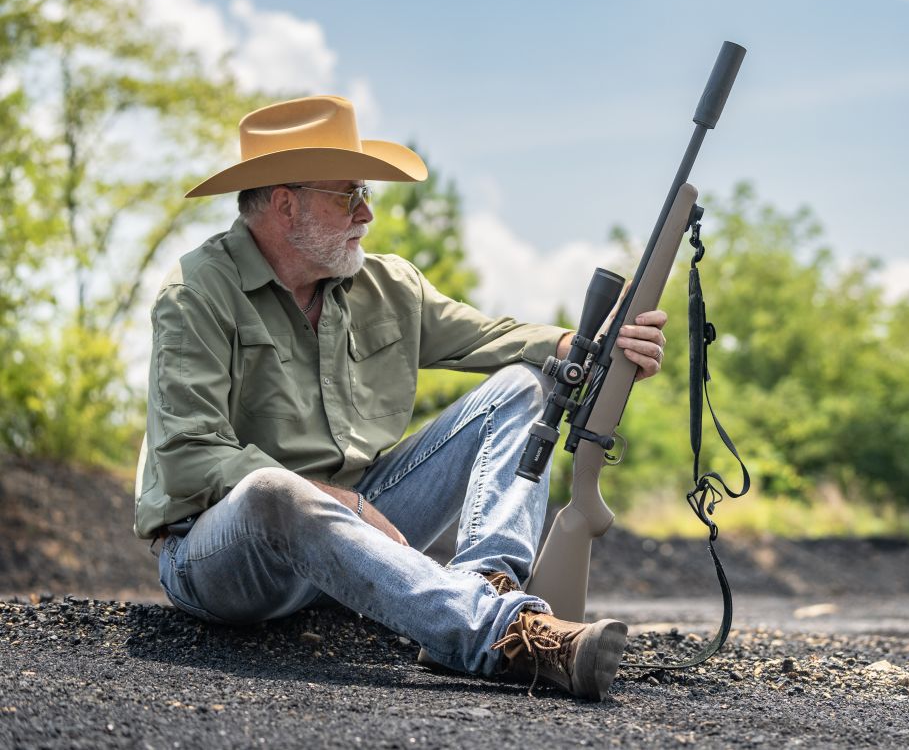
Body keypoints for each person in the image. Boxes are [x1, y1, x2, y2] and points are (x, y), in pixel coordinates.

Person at [133, 94, 667, 701]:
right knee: (273, 491)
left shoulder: (388, 284)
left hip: (361, 529)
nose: (366, 213)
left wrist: (590, 345)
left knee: (524, 383)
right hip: (227, 555)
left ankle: (487, 589)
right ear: (286, 205)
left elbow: (496, 339)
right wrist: (343, 507)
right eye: (349, 194)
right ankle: (500, 635)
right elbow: (188, 459)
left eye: (367, 194)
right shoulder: (195, 295)